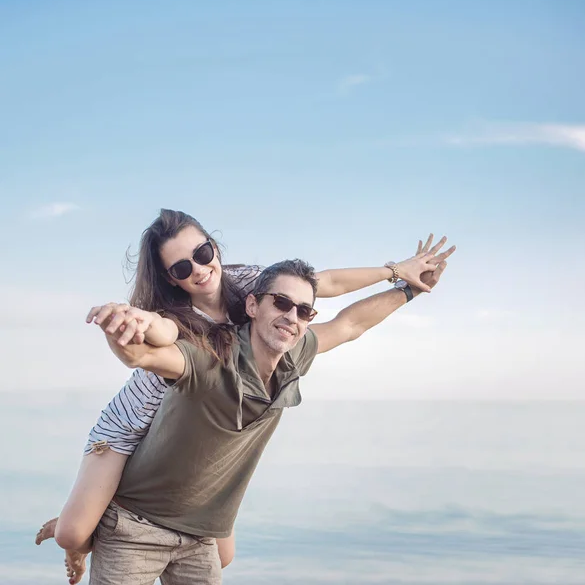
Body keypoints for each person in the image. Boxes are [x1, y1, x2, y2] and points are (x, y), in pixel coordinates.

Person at [35, 208, 454, 584]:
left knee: (224, 554)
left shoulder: (248, 283)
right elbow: (156, 336)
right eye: (182, 267)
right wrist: (136, 320)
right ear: (169, 278)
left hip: (191, 418)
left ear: (214, 247)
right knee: (75, 529)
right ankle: (83, 538)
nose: (199, 270)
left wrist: (398, 273)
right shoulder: (177, 319)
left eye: (202, 254)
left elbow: (323, 286)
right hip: (131, 423)